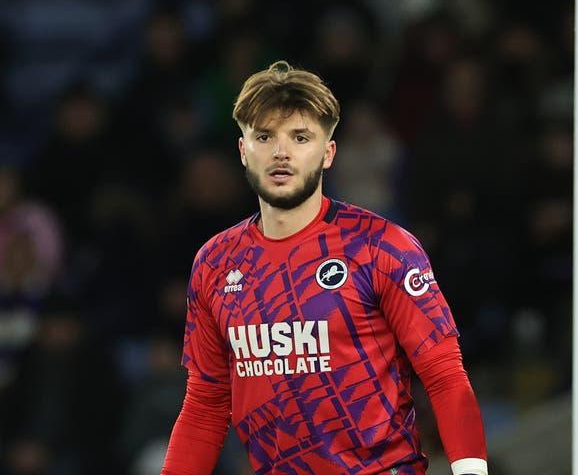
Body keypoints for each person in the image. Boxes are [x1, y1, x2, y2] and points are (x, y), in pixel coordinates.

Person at [161, 60, 488, 475]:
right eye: (264, 136)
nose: (281, 152)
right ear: (244, 151)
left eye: (300, 137)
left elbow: (444, 375)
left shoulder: (381, 247)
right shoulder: (215, 262)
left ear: (328, 153)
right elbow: (206, 405)